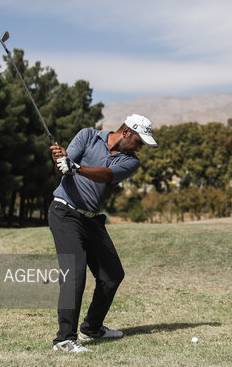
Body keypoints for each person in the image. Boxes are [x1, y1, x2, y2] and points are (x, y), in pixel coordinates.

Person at [48, 114, 158, 353]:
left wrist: (76, 167)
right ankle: (64, 339)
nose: (140, 148)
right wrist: (60, 160)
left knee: (112, 275)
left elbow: (106, 175)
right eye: (139, 141)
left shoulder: (131, 162)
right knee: (74, 272)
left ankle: (92, 327)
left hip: (92, 220)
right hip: (64, 213)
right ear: (127, 131)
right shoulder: (88, 136)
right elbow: (62, 172)